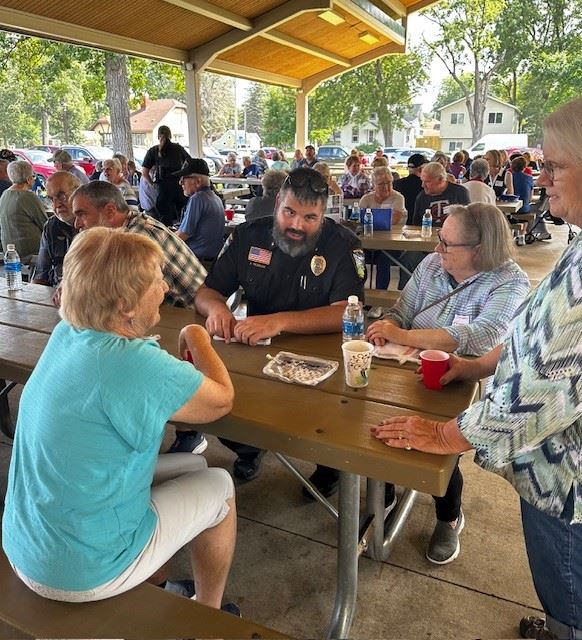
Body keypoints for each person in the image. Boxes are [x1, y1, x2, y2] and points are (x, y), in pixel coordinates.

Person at [371, 98, 582, 640]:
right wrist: (475, 367)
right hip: (551, 465)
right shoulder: (578, 244)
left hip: (569, 485)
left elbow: (537, 388)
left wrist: (445, 432)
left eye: (554, 166)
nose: (542, 177)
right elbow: (532, 343)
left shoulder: (527, 277)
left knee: (569, 587)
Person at [2, 227, 236, 610]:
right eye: (157, 280)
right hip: (82, 571)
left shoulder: (68, 333)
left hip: (25, 545)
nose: (164, 287)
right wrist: (197, 334)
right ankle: (208, 616)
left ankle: (152, 581)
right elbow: (221, 400)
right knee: (220, 484)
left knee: (193, 464)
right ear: (127, 304)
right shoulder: (134, 362)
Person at [368, 203, 530, 562]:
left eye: (446, 244)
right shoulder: (432, 265)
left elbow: (482, 336)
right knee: (378, 422)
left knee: (440, 448)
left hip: (461, 377)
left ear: (479, 249)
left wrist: (405, 333)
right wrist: (386, 330)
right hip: (403, 364)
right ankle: (385, 492)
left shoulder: (510, 280)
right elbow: (402, 309)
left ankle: (449, 516)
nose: (437, 250)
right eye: (440, 240)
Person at [195, 168, 365, 496]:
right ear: (277, 204)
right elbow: (206, 292)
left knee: (333, 426)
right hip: (257, 354)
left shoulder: (343, 245)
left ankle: (328, 467)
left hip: (323, 363)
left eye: (310, 217)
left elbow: (347, 311)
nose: (297, 225)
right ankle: (249, 449)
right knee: (221, 407)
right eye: (289, 212)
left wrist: (279, 321)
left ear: (323, 213)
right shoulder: (246, 236)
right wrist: (217, 308)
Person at [71, 181, 207, 311]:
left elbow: (111, 297)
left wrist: (74, 288)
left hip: (190, 319)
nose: (77, 224)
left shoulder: (134, 240)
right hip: (178, 313)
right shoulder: (133, 224)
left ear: (110, 211)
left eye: (82, 214)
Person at [358, 167, 407, 289]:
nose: (386, 187)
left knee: (383, 259)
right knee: (356, 255)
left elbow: (394, 220)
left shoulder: (398, 198)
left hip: (392, 243)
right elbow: (358, 222)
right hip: (369, 243)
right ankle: (359, 292)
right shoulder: (366, 199)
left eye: (389, 183)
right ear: (374, 185)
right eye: (381, 184)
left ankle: (379, 298)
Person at [32, 171, 80, 288]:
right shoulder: (51, 226)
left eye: (62, 196)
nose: (56, 205)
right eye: (51, 199)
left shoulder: (98, 226)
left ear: (79, 193)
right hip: (54, 299)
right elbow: (40, 277)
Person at [175, 158, 225, 261]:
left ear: (198, 181)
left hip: (198, 261)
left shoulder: (197, 199)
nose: (180, 183)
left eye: (184, 178)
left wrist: (161, 240)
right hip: (213, 260)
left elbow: (183, 235)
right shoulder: (215, 198)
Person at [141, 125, 190, 227]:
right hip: (179, 189)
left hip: (163, 191)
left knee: (165, 224)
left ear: (158, 136)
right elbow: (190, 164)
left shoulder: (153, 151)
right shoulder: (178, 149)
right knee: (183, 221)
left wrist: (153, 184)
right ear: (170, 136)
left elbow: (145, 172)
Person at [0, 160, 47, 262]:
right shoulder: (28, 196)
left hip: (9, 251)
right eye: (33, 176)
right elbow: (45, 225)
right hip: (30, 253)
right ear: (28, 179)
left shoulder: (5, 194)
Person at [412, 162, 470, 227]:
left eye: (427, 182)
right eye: (422, 181)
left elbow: (468, 221)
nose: (422, 185)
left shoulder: (460, 192)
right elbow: (416, 225)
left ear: (441, 179)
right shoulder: (422, 197)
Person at [393, 153, 427, 224]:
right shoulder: (426, 185)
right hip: (421, 224)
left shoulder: (397, 184)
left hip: (400, 224)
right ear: (421, 169)